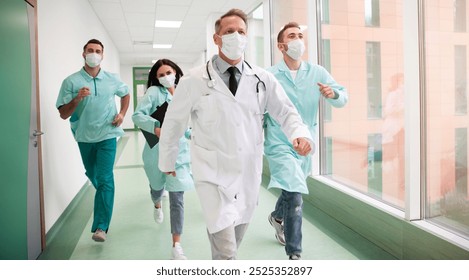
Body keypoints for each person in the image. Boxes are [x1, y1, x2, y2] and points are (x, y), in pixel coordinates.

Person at [158, 9, 313, 260]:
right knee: (227, 253)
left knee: (231, 245)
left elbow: (286, 112)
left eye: (241, 32)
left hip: (247, 175)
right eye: (229, 32)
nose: (236, 36)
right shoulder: (194, 80)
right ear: (216, 38)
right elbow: (174, 123)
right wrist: (167, 160)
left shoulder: (262, 79)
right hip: (212, 174)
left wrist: (300, 134)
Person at [264, 22, 348, 260]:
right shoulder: (269, 75)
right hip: (280, 142)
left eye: (300, 35)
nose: (298, 40)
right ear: (282, 45)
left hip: (306, 144)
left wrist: (334, 94)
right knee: (295, 193)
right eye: (292, 36)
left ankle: (277, 216)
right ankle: (295, 253)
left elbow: (343, 98)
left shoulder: (317, 72)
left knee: (292, 188)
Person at [56, 39, 130, 242]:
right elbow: (63, 114)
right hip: (84, 137)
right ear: (83, 54)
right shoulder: (71, 81)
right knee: (94, 175)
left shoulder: (112, 79)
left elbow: (125, 94)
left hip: (108, 134)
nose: (94, 54)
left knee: (106, 179)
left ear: (102, 56)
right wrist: (77, 98)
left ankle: (101, 227)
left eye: (98, 51)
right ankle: (106, 196)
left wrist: (122, 114)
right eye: (90, 50)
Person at [132, 59, 194, 260]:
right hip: (156, 152)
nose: (166, 76)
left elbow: (186, 124)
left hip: (180, 154)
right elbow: (137, 116)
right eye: (161, 74)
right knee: (157, 188)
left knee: (177, 198)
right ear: (156, 78)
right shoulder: (154, 93)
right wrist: (156, 127)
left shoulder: (186, 93)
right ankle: (157, 203)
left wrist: (192, 133)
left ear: (176, 72)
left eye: (169, 72)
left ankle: (177, 245)